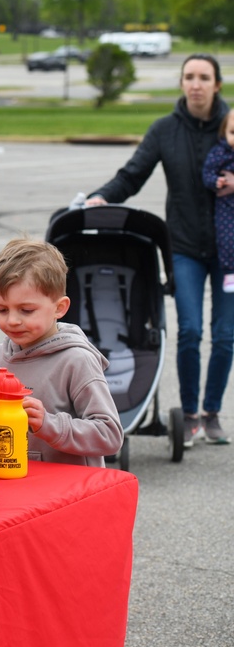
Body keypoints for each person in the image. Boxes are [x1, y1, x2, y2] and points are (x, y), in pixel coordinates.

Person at [87, 53, 233, 447]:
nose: (196, 84)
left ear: (217, 84)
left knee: (224, 335)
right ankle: (188, 416)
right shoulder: (165, 130)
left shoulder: (230, 125)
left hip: (229, 251)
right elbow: (132, 175)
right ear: (182, 83)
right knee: (188, 330)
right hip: (183, 246)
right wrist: (101, 197)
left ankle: (212, 412)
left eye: (204, 77)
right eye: (189, 77)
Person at [0, 238, 124, 467]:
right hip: (13, 487)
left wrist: (49, 424)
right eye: (2, 310)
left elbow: (110, 435)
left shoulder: (77, 360)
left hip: (69, 491)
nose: (13, 321)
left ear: (60, 308)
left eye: (26, 310)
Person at [201, 107, 234, 292]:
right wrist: (216, 181)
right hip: (226, 206)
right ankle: (230, 273)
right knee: (227, 237)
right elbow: (207, 173)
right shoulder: (220, 152)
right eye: (232, 132)